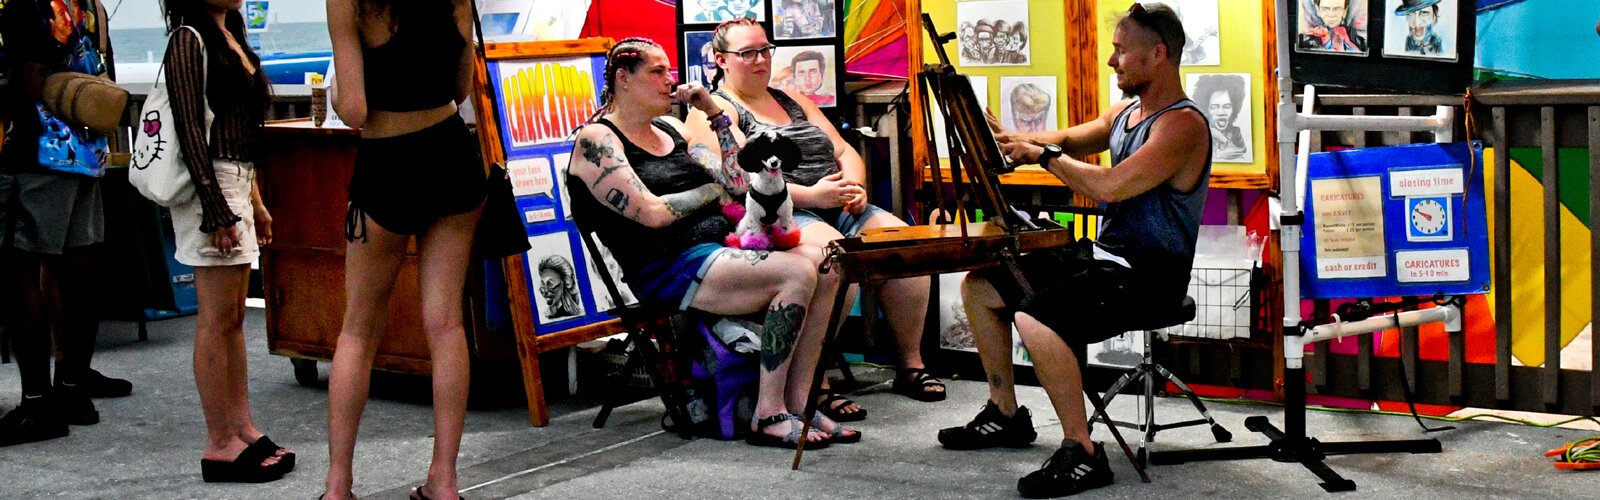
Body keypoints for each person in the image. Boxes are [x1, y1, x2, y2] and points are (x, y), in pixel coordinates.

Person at [946, 4, 1211, 497]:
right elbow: (1064, 136)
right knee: (982, 287)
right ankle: (1005, 414)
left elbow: (1111, 186)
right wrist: (1012, 139)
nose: (1112, 61)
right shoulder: (1126, 113)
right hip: (1107, 260)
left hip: (1149, 278)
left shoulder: (1182, 126)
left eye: (1120, 51)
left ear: (1158, 55)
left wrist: (1044, 156)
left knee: (1037, 316)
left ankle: (1082, 451)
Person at [568, 37, 856, 449]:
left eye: (670, 71)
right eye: (657, 72)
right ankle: (768, 414)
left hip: (722, 245)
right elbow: (652, 213)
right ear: (623, 79)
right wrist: (711, 193)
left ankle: (800, 402)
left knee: (830, 266)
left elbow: (740, 181)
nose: (670, 81)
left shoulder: (671, 127)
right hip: (668, 264)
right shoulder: (597, 140)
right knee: (796, 272)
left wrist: (714, 112)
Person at [691, 19, 943, 423]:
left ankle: (910, 364)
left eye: (765, 50)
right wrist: (812, 196)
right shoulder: (716, 111)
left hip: (838, 202)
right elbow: (740, 181)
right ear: (720, 60)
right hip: (781, 214)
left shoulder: (791, 99)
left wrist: (855, 187)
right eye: (747, 53)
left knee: (907, 246)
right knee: (833, 257)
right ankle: (816, 381)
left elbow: (843, 150)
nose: (760, 60)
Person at [322, 0, 482, 498]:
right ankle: (445, 480)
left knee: (359, 330)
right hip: (452, 154)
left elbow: (354, 110)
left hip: (387, 162)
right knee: (446, 323)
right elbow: (461, 88)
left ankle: (338, 484)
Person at [159, 0, 293, 483]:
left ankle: (241, 427)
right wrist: (215, 207)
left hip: (236, 180)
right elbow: (191, 127)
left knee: (234, 318)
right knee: (217, 320)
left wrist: (253, 200)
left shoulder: (229, 32)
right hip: (209, 185)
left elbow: (241, 131)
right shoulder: (188, 39)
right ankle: (219, 441)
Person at [0, 0, 132, 448]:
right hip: (83, 145)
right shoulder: (81, 3)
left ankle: (38, 405)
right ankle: (74, 389)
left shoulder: (24, 4)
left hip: (35, 153)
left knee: (16, 269)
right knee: (79, 269)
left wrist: (14, 141)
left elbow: (27, 76)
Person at [1190, 73, 1247, 162]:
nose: (1221, 113)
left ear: (1233, 109)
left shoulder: (1235, 132)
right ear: (1206, 109)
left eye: (1227, 106)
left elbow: (1242, 154)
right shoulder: (1199, 133)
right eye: (1215, 107)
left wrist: (1222, 139)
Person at [1298, 0, 1366, 53]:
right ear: (1318, 10)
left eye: (1337, 9)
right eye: (1325, 9)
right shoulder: (1307, 40)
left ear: (1345, 11)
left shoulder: (1356, 39)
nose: (1331, 15)